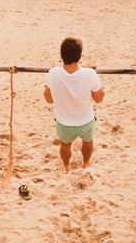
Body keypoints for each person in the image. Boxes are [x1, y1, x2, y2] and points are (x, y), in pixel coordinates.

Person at [44, 37, 105, 172]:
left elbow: (48, 99)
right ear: (79, 55)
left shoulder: (53, 73)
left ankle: (67, 167)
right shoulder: (89, 74)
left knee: (65, 144)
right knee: (88, 141)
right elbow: (99, 99)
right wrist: (93, 76)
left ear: (61, 55)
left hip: (64, 122)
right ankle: (86, 162)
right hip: (85, 121)